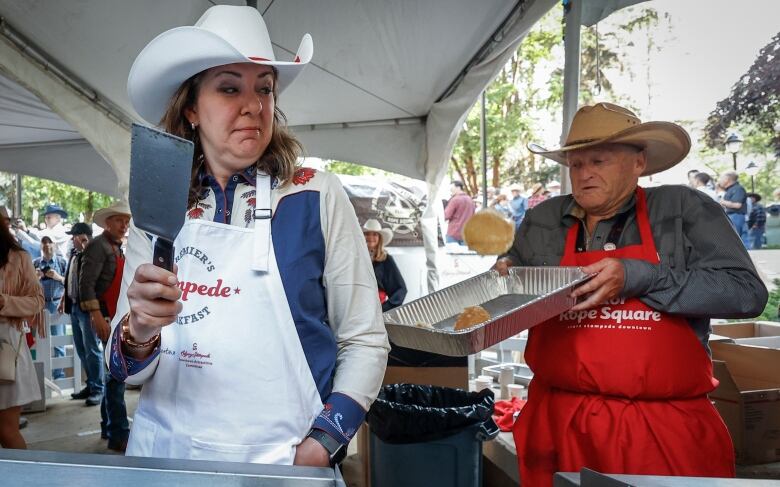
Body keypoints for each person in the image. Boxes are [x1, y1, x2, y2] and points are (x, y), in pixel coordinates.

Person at [110, 5, 389, 467]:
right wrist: (140, 330)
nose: (253, 105)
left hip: (283, 462)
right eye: (228, 87)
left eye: (264, 88)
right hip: (170, 459)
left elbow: (364, 339)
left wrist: (322, 445)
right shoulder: (157, 208)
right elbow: (127, 373)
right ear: (192, 108)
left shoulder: (315, 194)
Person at [496, 102, 767, 484]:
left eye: (599, 161)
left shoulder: (682, 209)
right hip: (557, 420)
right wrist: (504, 277)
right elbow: (513, 292)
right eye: (576, 164)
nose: (584, 174)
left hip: (658, 430)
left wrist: (643, 276)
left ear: (638, 162)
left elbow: (746, 294)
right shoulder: (543, 219)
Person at [80, 201, 131, 452]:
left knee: (113, 373)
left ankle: (107, 425)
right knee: (115, 375)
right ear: (107, 223)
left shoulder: (115, 247)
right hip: (104, 315)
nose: (124, 225)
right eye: (119, 220)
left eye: (126, 221)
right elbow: (86, 284)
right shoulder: (98, 246)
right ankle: (118, 433)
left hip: (113, 313)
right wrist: (97, 315)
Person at [0, 207, 45, 449]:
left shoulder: (18, 257)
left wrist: (4, 302)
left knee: (7, 431)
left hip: (5, 349)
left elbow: (37, 301)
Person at [58, 222, 104, 406]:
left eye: (74, 236)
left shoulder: (93, 253)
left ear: (82, 236)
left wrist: (86, 246)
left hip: (87, 310)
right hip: (75, 307)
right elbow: (71, 277)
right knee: (81, 349)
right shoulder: (74, 254)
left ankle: (98, 389)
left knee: (92, 350)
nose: (71, 239)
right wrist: (64, 298)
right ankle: (91, 385)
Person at [32, 236, 68, 380]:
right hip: (40, 305)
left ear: (54, 244)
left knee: (58, 340)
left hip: (57, 303)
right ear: (41, 246)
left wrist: (57, 277)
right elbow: (27, 286)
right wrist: (36, 277)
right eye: (44, 242)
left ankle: (59, 376)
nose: (47, 245)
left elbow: (70, 283)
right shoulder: (35, 263)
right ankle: (43, 377)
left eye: (49, 242)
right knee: (40, 341)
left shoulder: (62, 262)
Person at [363, 219, 406, 312]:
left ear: (379, 238)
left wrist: (384, 309)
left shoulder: (386, 259)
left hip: (376, 310)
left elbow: (401, 289)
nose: (370, 237)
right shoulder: (355, 259)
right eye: (367, 234)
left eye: (374, 234)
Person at [718, 171, 748, 243]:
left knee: (735, 239)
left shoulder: (738, 189)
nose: (719, 180)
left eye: (721, 178)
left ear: (727, 179)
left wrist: (722, 202)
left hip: (736, 216)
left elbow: (737, 205)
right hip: (731, 216)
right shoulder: (730, 189)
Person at [444, 180, 475, 245]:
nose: (450, 190)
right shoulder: (470, 200)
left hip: (454, 233)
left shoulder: (455, 199)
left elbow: (446, 216)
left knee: (451, 254)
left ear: (458, 188)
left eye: (452, 188)